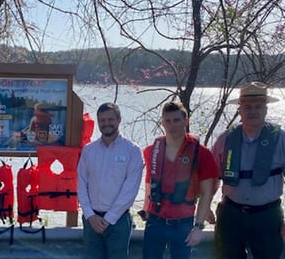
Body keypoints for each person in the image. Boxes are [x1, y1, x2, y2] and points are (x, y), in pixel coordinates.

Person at [211, 81, 285, 259]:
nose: (252, 111)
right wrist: (206, 206)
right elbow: (213, 176)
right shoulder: (225, 139)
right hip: (231, 214)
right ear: (240, 110)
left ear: (266, 110)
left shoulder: (281, 139)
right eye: (247, 107)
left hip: (267, 217)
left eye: (258, 107)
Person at [140, 101, 219, 259]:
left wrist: (198, 227)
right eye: (167, 121)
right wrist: (145, 210)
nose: (172, 125)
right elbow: (150, 182)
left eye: (176, 120)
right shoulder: (152, 150)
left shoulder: (201, 153)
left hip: (183, 223)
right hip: (155, 221)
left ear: (186, 121)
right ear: (162, 123)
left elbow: (206, 193)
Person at [77, 102, 143, 259]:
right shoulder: (88, 150)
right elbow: (81, 183)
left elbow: (130, 189)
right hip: (91, 220)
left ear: (119, 120)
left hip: (118, 221)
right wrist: (90, 215)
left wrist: (109, 219)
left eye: (110, 119)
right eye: (102, 120)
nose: (106, 123)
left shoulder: (132, 151)